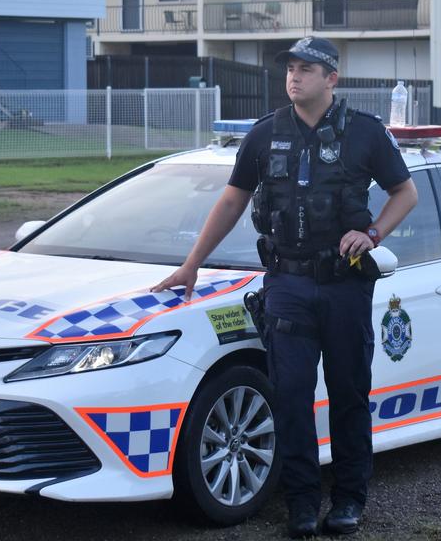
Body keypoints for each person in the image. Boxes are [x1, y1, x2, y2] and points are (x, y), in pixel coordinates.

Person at [153, 36, 418, 538]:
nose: (294, 76)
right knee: (291, 396)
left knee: (348, 396)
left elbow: (406, 192)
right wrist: (191, 265)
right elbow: (231, 202)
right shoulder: (264, 134)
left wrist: (374, 232)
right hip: (287, 284)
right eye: (290, 68)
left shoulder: (366, 133)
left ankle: (348, 500)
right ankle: (299, 503)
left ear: (331, 79)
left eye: (306, 69)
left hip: (344, 286)